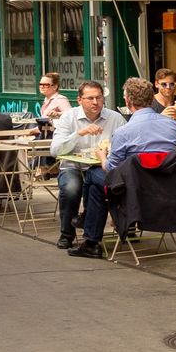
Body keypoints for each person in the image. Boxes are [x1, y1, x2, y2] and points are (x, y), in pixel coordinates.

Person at [72, 77, 176, 258]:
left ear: (127, 101)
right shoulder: (174, 127)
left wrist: (102, 156)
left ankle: (90, 236)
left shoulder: (124, 132)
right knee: (96, 189)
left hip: (135, 191)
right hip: (168, 189)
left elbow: (111, 169)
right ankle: (91, 240)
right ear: (151, 99)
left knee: (94, 175)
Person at [50, 81, 117, 248]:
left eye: (99, 98)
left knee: (114, 185)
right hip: (74, 166)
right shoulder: (69, 117)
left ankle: (111, 230)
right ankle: (67, 234)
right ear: (79, 100)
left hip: (100, 166)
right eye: (90, 98)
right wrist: (79, 133)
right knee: (71, 188)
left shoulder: (115, 118)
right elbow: (55, 150)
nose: (95, 102)